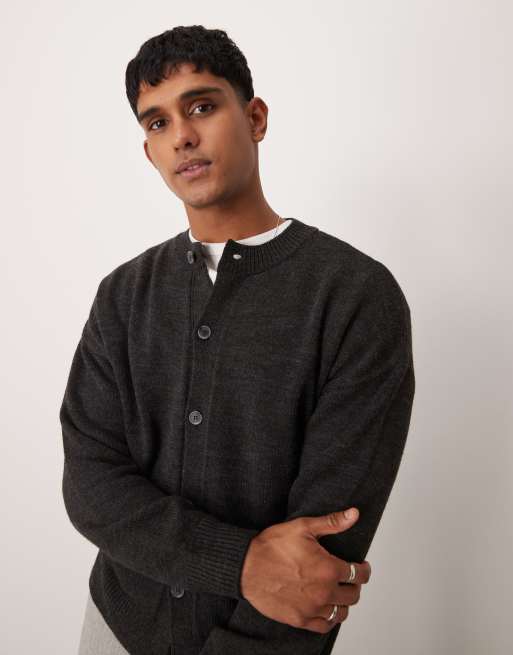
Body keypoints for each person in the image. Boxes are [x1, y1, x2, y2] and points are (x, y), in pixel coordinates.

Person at [61, 25, 415, 655]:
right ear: (149, 151)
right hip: (116, 625)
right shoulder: (122, 295)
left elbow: (324, 548)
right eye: (158, 123)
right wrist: (241, 561)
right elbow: (91, 487)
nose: (182, 137)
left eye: (201, 107)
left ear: (255, 118)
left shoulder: (356, 296)